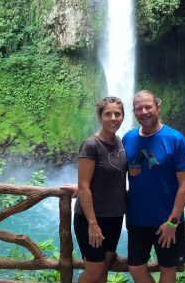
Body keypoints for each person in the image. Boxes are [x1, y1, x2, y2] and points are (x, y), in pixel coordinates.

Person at [123, 90, 185, 283]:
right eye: (139, 108)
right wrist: (83, 186)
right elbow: (114, 174)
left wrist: (172, 222)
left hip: (167, 221)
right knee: (136, 268)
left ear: (158, 107)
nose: (144, 112)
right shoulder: (127, 138)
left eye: (148, 107)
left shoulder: (175, 139)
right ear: (134, 112)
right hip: (137, 220)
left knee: (167, 269)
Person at [62, 97, 128, 283]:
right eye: (108, 114)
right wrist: (93, 224)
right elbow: (84, 185)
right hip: (91, 219)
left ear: (123, 117)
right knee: (94, 271)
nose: (113, 118)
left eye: (118, 114)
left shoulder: (121, 143)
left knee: (103, 271)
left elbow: (107, 177)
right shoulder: (91, 145)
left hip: (114, 217)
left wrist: (86, 185)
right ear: (100, 116)